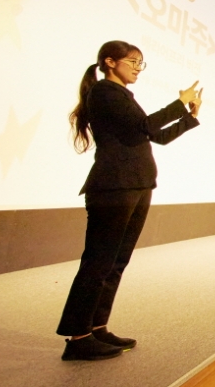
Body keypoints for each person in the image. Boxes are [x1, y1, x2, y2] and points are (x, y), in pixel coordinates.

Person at [58, 41, 201, 361]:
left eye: (141, 63)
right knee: (97, 263)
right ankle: (78, 337)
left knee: (116, 262)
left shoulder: (122, 96)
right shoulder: (105, 92)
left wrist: (189, 117)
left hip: (135, 186)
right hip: (114, 188)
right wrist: (179, 102)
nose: (138, 67)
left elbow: (156, 136)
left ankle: (97, 327)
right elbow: (147, 125)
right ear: (110, 62)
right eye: (133, 61)